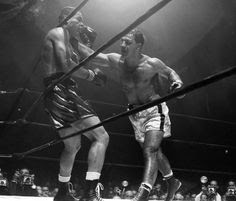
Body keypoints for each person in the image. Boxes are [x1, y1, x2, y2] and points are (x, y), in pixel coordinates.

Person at [78, 29, 183, 201]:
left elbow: (170, 72)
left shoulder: (151, 64)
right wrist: (72, 39)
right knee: (154, 152)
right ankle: (171, 181)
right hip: (134, 113)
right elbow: (91, 55)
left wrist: (177, 83)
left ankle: (144, 193)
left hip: (154, 109)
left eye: (127, 42)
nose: (122, 45)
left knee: (151, 149)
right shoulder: (117, 61)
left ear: (138, 46)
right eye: (122, 41)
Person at [41, 6, 109, 201]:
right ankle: (90, 192)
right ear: (65, 18)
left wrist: (117, 63)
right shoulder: (58, 31)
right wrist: (91, 75)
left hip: (53, 92)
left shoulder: (69, 40)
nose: (81, 23)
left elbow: (96, 57)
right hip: (62, 88)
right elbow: (65, 64)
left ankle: (62, 192)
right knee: (101, 136)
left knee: (72, 147)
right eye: (78, 19)